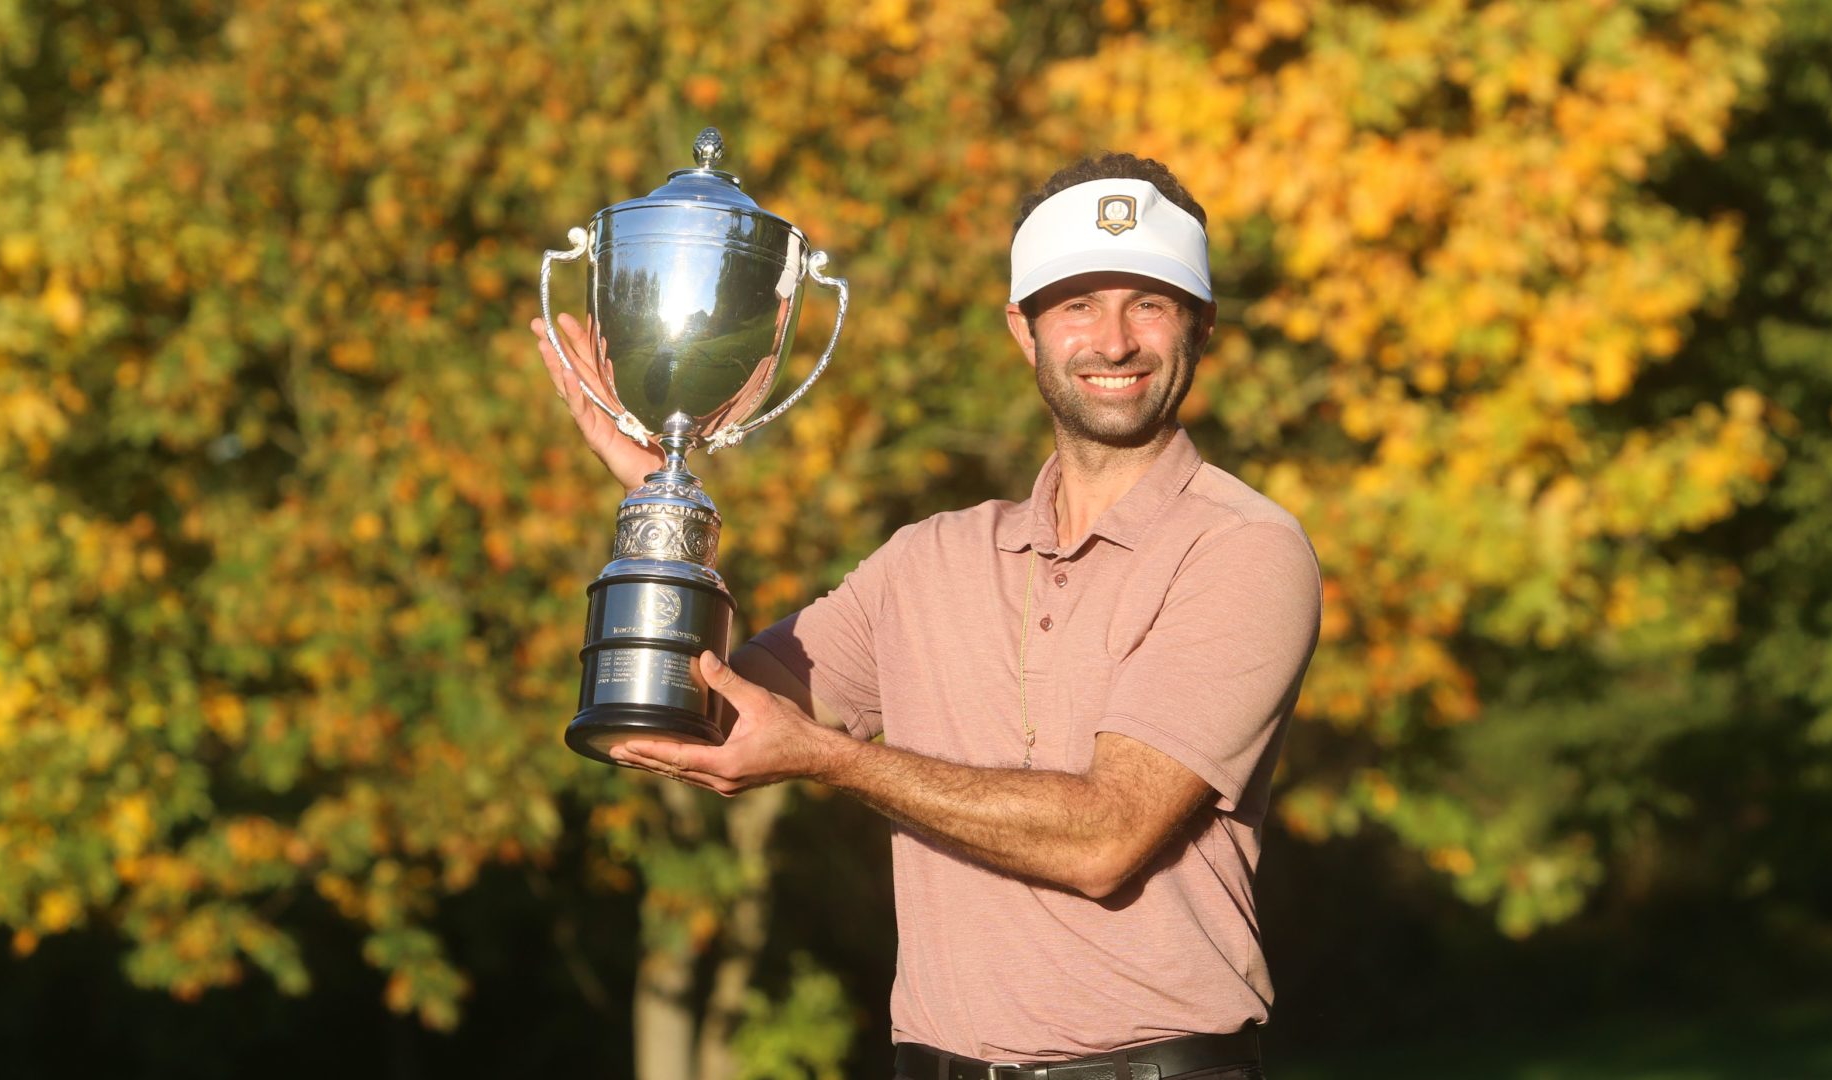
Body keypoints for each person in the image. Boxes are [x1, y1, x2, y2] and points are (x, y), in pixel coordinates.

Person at [533, 153, 1321, 1080]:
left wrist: (830, 759)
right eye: (1076, 305)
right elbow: (716, 712)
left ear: (1201, 324)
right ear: (1023, 332)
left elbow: (1107, 838)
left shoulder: (1244, 549)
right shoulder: (927, 558)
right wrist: (663, 499)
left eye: (1149, 302)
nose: (1114, 341)